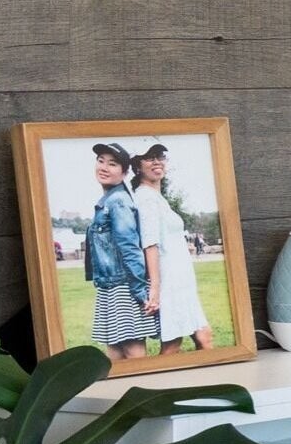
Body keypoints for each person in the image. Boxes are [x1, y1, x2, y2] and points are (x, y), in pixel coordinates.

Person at [134, 142, 216, 354]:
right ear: (137, 167)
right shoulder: (145, 198)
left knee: (204, 337)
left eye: (160, 156)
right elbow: (149, 244)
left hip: (182, 282)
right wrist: (155, 288)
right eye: (149, 157)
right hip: (170, 283)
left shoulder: (157, 198)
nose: (156, 161)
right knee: (173, 345)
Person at [80, 143, 155, 360]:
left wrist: (140, 292)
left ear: (124, 172)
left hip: (125, 285)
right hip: (110, 284)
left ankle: (146, 387)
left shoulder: (118, 201)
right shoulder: (107, 200)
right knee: (114, 348)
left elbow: (130, 248)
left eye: (112, 164)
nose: (104, 167)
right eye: (101, 161)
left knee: (132, 348)